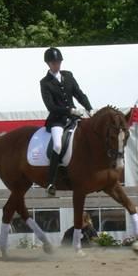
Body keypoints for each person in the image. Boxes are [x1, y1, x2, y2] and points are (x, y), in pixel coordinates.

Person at [40, 46, 94, 196]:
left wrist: (89, 108)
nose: (57, 65)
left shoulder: (68, 75)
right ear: (48, 64)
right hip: (57, 120)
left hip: (74, 117)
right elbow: (50, 106)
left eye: (58, 62)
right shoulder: (45, 83)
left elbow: (79, 94)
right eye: (54, 63)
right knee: (57, 145)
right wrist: (69, 110)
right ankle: (51, 182)